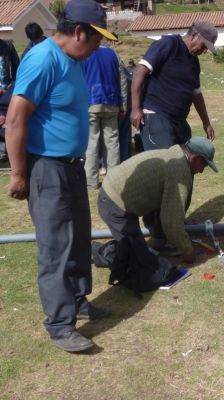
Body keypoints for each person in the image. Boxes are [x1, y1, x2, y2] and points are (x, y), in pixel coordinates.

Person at [5, 0, 118, 353]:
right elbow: (15, 119)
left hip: (71, 165)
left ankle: (78, 300)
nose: (99, 47)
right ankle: (59, 323)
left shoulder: (73, 61)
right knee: (56, 246)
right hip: (46, 168)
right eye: (96, 39)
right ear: (79, 32)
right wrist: (19, 174)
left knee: (79, 238)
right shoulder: (42, 60)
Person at [97, 136, 218, 265]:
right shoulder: (180, 171)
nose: (201, 171)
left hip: (114, 194)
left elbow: (167, 209)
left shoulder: (176, 154)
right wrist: (188, 252)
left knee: (141, 255)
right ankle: (96, 252)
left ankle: (157, 243)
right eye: (204, 165)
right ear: (196, 158)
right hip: (115, 205)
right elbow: (172, 224)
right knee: (139, 264)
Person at [131, 21, 217, 151]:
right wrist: (136, 108)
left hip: (179, 121)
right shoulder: (169, 44)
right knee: (163, 164)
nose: (204, 51)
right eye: (204, 46)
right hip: (157, 115)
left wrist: (206, 122)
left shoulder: (194, 62)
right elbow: (140, 71)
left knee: (184, 162)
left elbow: (196, 94)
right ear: (194, 35)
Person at [83, 42, 128, 189]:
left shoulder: (85, 52)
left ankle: (91, 181)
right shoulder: (113, 53)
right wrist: (124, 104)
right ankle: (113, 180)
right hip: (111, 101)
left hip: (90, 102)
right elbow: (122, 79)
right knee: (112, 143)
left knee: (92, 143)